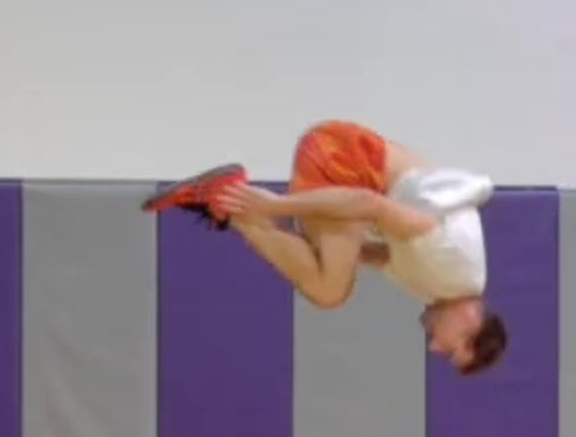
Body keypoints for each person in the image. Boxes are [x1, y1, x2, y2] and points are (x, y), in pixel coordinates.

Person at [143, 120, 509, 374]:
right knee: (330, 289)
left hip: (350, 168)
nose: (434, 348)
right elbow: (369, 205)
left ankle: (226, 202)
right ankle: (227, 200)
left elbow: (373, 253)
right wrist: (276, 207)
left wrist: (301, 245)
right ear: (469, 321)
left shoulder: (442, 287)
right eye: (450, 349)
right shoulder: (450, 264)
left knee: (327, 280)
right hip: (342, 158)